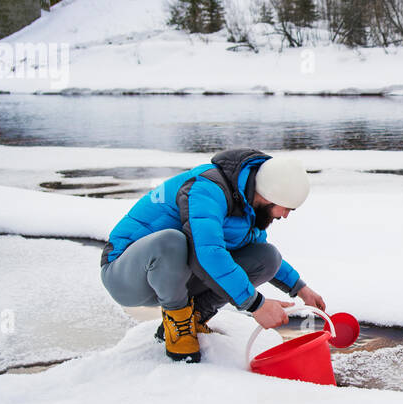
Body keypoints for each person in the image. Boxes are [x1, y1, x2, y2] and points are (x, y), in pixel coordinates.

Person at [98, 148, 325, 363]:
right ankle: (177, 323)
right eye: (286, 209)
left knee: (267, 257)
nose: (285, 216)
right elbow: (208, 253)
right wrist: (256, 305)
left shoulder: (247, 205)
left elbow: (257, 256)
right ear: (268, 196)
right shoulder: (207, 189)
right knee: (172, 241)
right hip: (125, 275)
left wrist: (300, 288)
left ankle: (194, 316)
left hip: (172, 275)